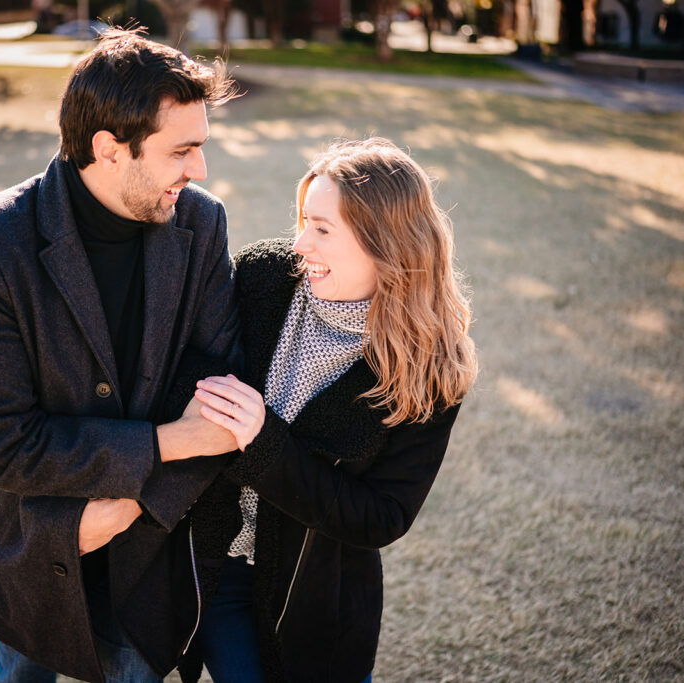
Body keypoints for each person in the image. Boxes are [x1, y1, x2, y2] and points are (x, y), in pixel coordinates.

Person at [0, 29, 242, 683]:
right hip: (38, 539)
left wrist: (129, 505)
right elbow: (7, 441)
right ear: (108, 149)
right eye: (183, 150)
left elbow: (220, 397)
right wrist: (162, 446)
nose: (199, 170)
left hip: (152, 543)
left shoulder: (203, 223)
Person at [176, 138, 479, 683]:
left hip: (317, 605)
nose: (300, 243)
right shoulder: (263, 278)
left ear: (386, 244)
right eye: (303, 220)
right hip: (215, 571)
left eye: (322, 228)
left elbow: (381, 516)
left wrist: (264, 443)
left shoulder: (429, 372)